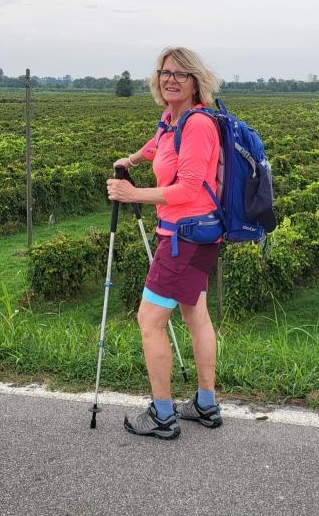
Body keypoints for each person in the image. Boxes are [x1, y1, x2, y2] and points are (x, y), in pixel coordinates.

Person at [106, 46, 224, 440]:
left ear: (196, 81)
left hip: (182, 240)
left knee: (149, 321)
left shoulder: (198, 125)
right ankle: (205, 405)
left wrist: (132, 195)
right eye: (165, 72)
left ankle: (161, 415)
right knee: (195, 316)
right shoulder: (172, 120)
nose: (171, 79)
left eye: (180, 74)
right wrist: (132, 160)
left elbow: (188, 188)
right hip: (196, 236)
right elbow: (158, 145)